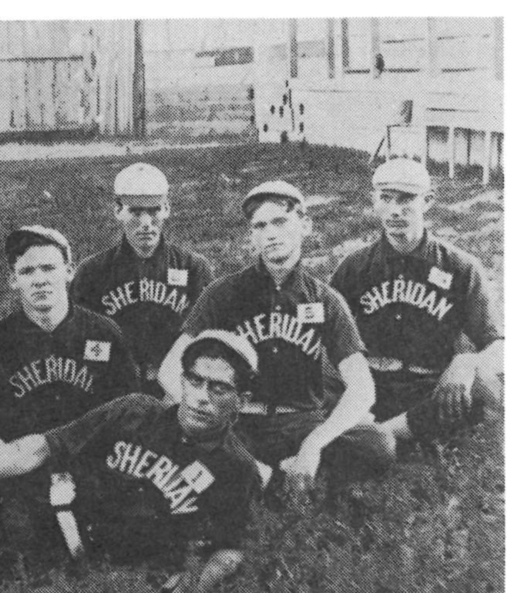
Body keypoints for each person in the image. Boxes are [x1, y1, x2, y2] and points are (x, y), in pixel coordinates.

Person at [0, 330, 263, 593]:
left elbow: (231, 547)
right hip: (47, 526)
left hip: (117, 576)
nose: (201, 397)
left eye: (218, 388)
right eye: (194, 381)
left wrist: (197, 583)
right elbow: (41, 447)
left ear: (242, 400)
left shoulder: (238, 468)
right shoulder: (135, 411)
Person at [158, 181, 394, 493]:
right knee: (175, 435)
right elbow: (169, 370)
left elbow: (363, 388)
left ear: (305, 225)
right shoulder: (224, 293)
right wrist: (211, 421)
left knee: (377, 443)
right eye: (260, 226)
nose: (270, 234)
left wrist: (313, 444)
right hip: (239, 423)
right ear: (251, 237)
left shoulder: (324, 299)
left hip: (302, 421)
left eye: (280, 222)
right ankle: (272, 477)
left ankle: (276, 474)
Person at [0, 225, 140, 551]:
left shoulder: (102, 333)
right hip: (22, 473)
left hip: (92, 465)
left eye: (49, 268)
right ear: (13, 280)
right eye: (27, 271)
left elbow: (132, 412)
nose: (40, 280)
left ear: (69, 271)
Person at [331, 157, 503, 443]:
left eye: (406, 199)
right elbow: (324, 336)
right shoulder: (355, 267)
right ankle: (387, 435)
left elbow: (497, 344)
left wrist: (467, 362)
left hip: (431, 388)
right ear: (374, 201)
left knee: (486, 386)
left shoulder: (460, 267)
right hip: (369, 386)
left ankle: (377, 436)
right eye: (386, 198)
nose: (395, 210)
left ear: (428, 201)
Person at [73, 162, 211, 393]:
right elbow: (79, 337)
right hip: (113, 387)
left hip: (176, 388)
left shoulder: (193, 268)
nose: (146, 223)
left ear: (166, 209)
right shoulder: (93, 272)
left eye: (154, 211)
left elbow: (206, 337)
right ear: (118, 211)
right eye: (136, 212)